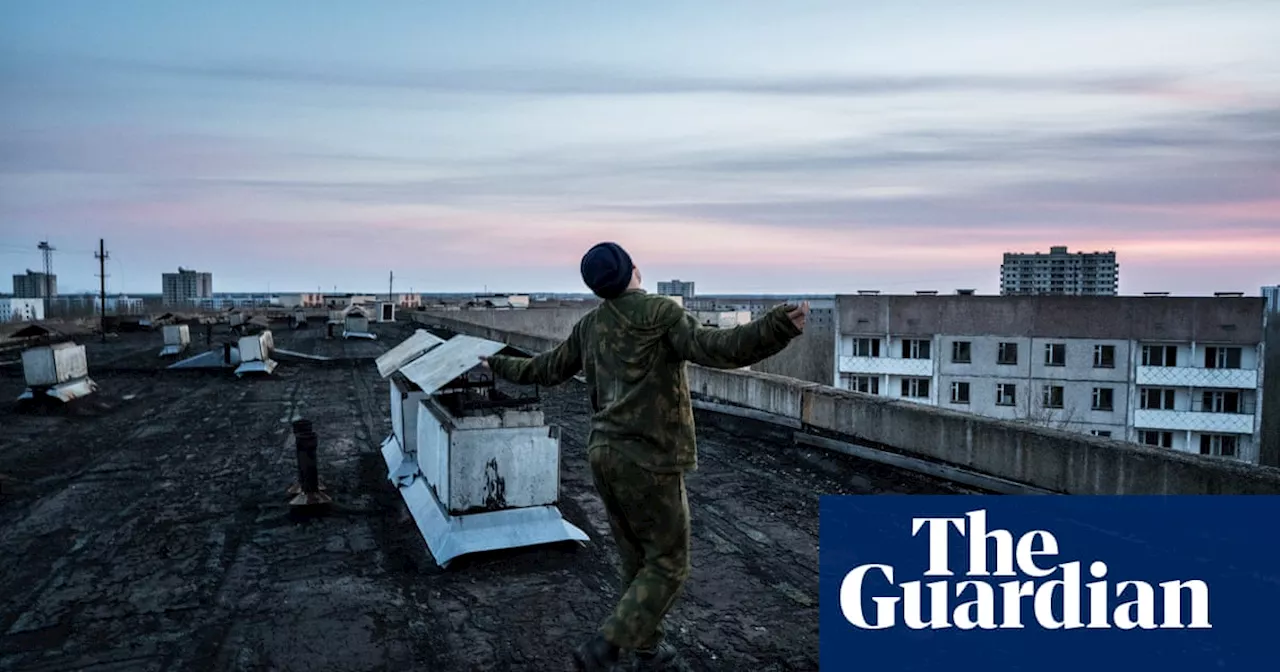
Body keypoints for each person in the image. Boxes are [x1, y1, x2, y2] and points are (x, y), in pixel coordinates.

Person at [480, 242, 807, 671]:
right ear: (634, 269)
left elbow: (545, 368)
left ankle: (649, 650)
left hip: (603, 455)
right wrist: (779, 325)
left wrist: (498, 364)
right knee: (670, 562)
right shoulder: (660, 314)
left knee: (636, 558)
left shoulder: (590, 326)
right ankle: (608, 644)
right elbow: (720, 348)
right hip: (650, 458)